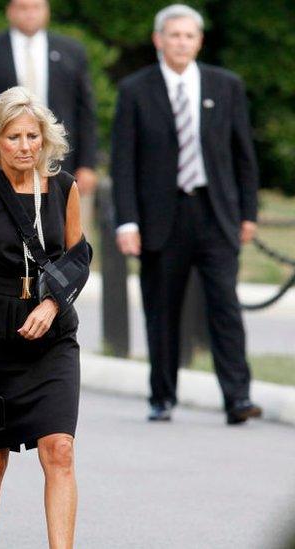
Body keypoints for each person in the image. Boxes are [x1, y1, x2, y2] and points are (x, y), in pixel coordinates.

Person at [111, 4, 262, 425]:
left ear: (199, 41)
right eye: (174, 35)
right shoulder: (136, 90)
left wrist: (248, 213)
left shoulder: (225, 85)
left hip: (215, 213)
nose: (181, 42)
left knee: (225, 308)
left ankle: (237, 396)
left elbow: (242, 154)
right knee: (163, 310)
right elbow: (124, 161)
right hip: (162, 217)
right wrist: (127, 221)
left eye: (189, 36)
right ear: (159, 40)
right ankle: (162, 396)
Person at [0, 86, 82, 549]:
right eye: (14, 137)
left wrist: (52, 304)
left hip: (53, 341)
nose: (25, 147)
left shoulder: (65, 188)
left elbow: (77, 256)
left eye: (32, 136)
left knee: (59, 450)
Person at [0, 0, 97, 208]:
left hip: (61, 161)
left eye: (36, 7)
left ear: (47, 10)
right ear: (10, 11)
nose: (30, 14)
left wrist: (87, 163)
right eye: (23, 8)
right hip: (1, 166)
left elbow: (85, 111)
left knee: (64, 232)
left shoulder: (71, 51)